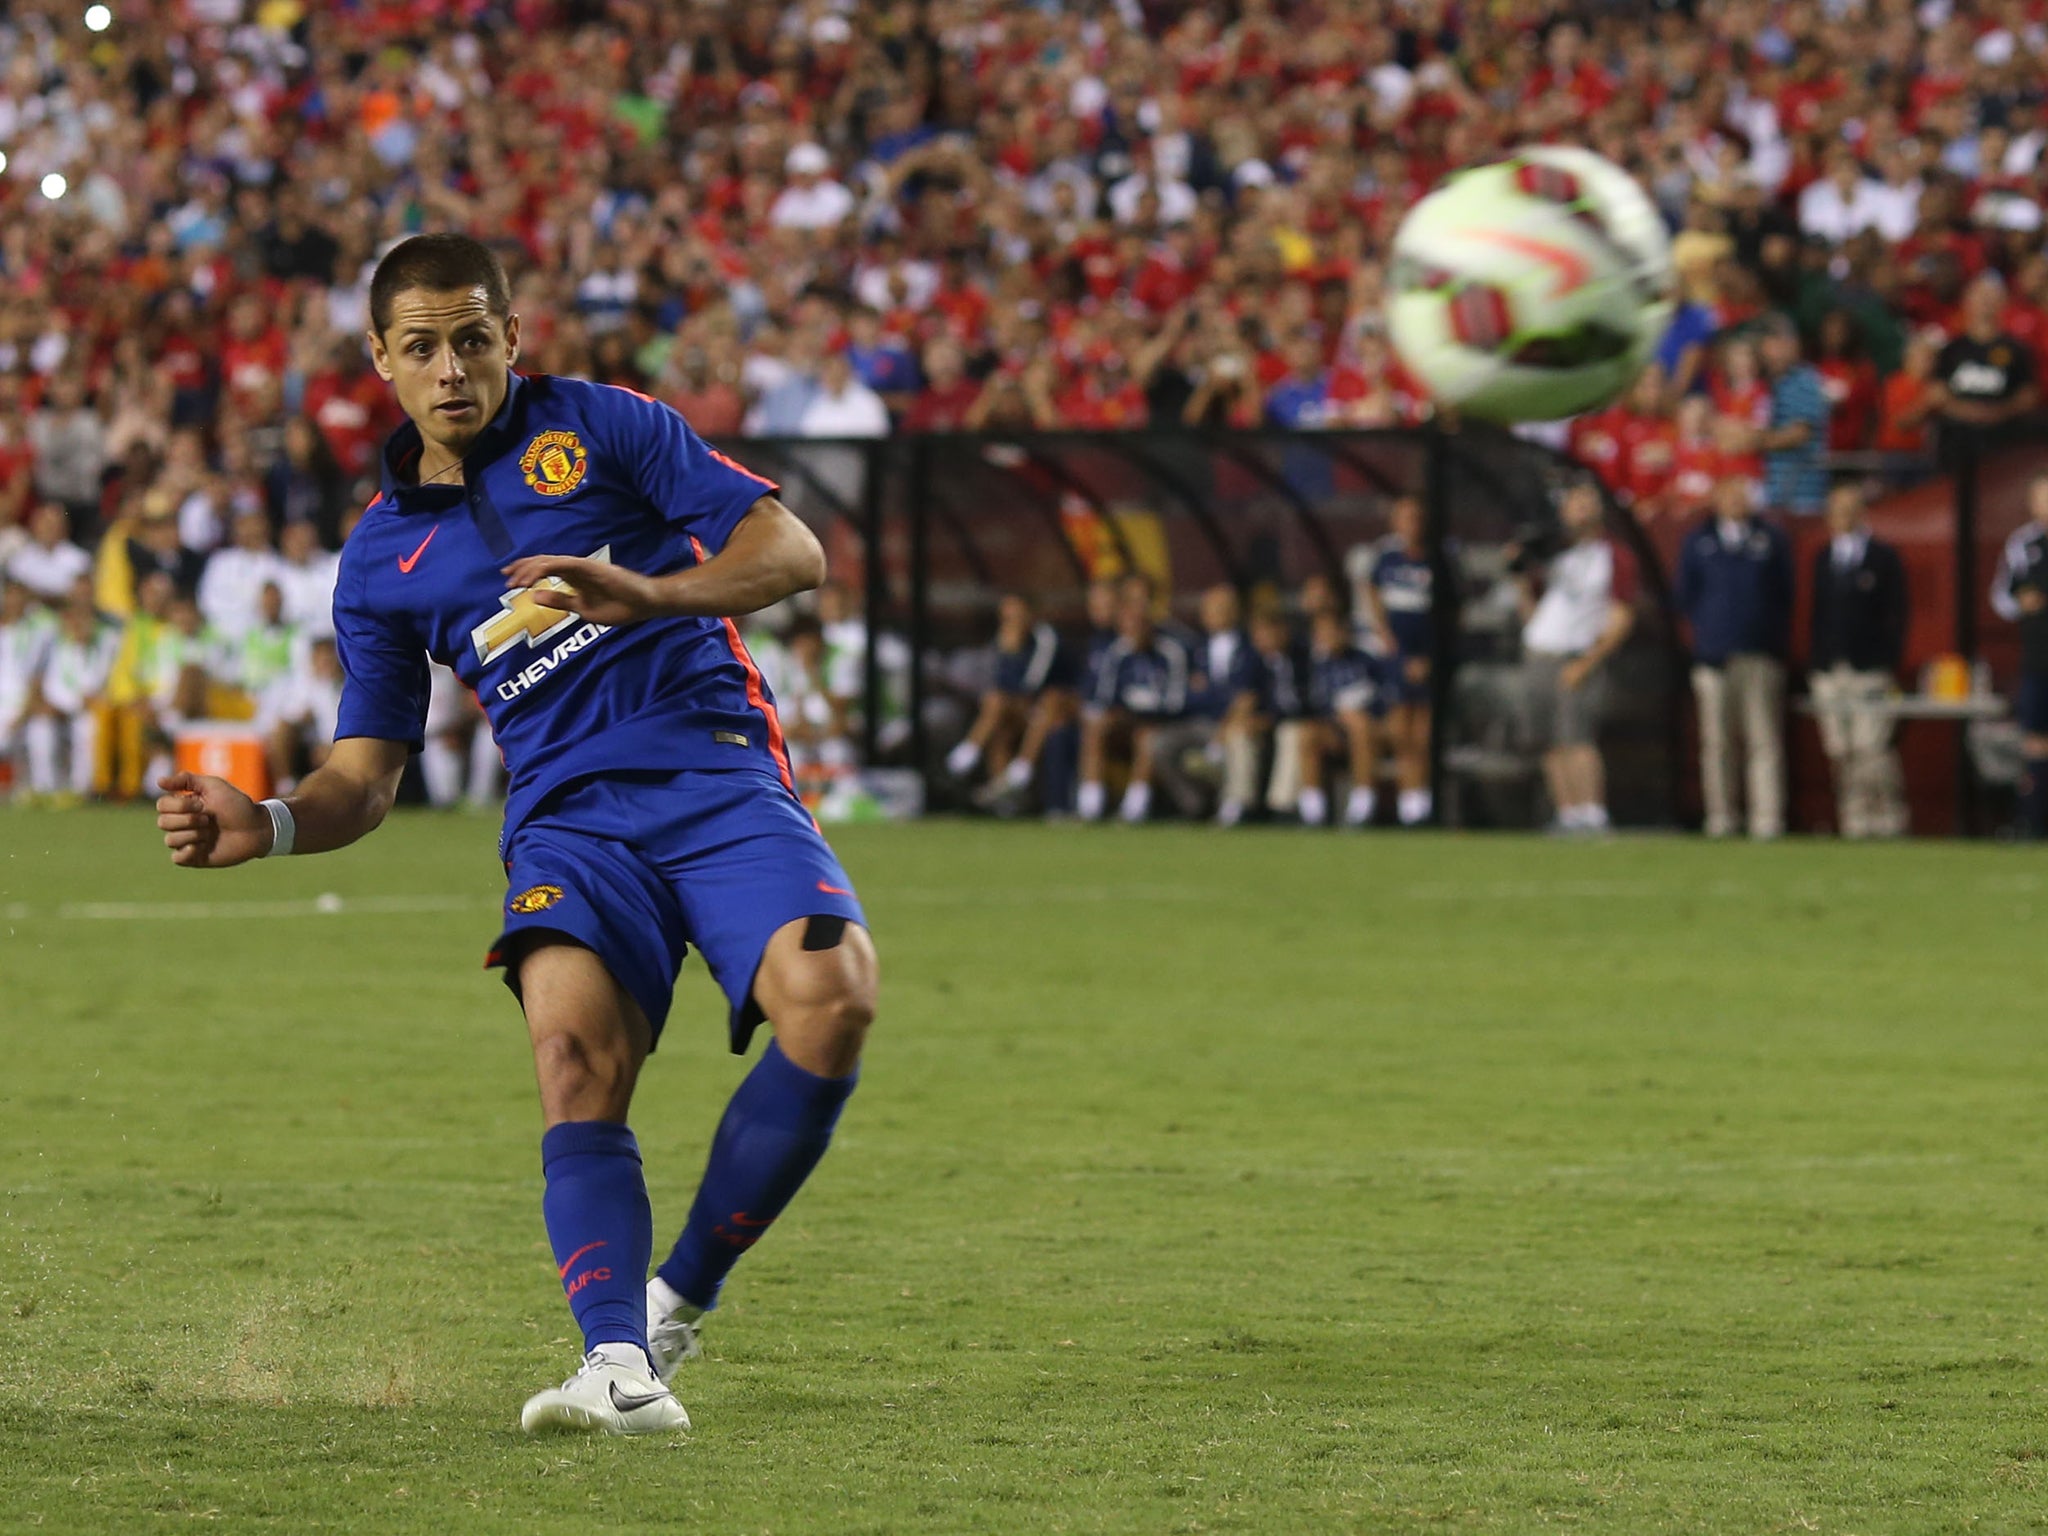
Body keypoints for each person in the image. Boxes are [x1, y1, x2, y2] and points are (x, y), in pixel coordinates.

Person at [150, 234, 876, 1437]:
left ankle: (676, 1298)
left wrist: (648, 591)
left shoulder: (602, 425)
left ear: (511, 339)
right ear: (381, 359)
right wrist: (272, 821)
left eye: (472, 340)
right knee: (574, 1059)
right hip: (567, 819)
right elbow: (367, 777)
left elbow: (788, 553)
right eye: (422, 347)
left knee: (833, 993)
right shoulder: (381, 562)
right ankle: (615, 1364)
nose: (451, 369)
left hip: (712, 769)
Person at [1677, 474, 1795, 838]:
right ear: (1716, 500)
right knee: (1717, 742)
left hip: (1759, 654)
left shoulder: (1770, 538)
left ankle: (1767, 818)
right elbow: (1684, 595)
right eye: (1728, 495)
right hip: (1713, 656)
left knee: (1764, 740)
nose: (1735, 502)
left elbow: (1784, 595)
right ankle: (1721, 817)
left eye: (1741, 495)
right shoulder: (1699, 541)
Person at [1516, 482, 1637, 834]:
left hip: (1578, 652)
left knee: (1578, 737)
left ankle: (1593, 812)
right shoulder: (1551, 552)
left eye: (1588, 501)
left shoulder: (1613, 555)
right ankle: (1567, 812)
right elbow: (1532, 603)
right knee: (1550, 740)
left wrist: (1589, 660)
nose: (1581, 509)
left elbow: (1621, 616)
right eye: (1575, 502)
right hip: (1541, 649)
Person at [1808, 483, 1908, 838]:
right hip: (1831, 668)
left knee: (1873, 749)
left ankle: (1887, 815)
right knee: (1841, 749)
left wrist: (1888, 661)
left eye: (1851, 509)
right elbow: (1817, 615)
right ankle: (1852, 819)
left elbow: (1897, 614)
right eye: (1837, 509)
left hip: (1869, 667)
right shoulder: (1824, 557)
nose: (1844, 517)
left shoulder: (1883, 557)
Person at [1078, 572, 1191, 823]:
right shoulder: (1116, 651)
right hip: (1127, 719)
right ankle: (1090, 805)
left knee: (1147, 736)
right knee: (1097, 729)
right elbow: (1106, 697)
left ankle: (1134, 808)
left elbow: (1175, 703)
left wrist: (1145, 711)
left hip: (1161, 723)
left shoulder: (1172, 649)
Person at [1353, 496, 1435, 826]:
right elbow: (1370, 590)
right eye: (1404, 517)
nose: (1411, 523)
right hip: (1398, 654)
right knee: (1401, 729)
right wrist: (1385, 634)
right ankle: (1408, 800)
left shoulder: (1436, 558)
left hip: (1429, 655)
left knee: (1425, 733)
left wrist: (1429, 656)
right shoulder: (1385, 559)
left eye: (1416, 516)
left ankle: (1423, 798)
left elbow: (1449, 612)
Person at [1156, 583, 1263, 825]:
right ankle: (1194, 806)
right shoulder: (1196, 648)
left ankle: (1236, 805)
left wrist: (1221, 734)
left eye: (1217, 608)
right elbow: (1191, 690)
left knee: (1239, 738)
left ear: (1233, 612)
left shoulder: (1249, 648)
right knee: (1161, 744)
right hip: (1198, 722)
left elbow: (1245, 698)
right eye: (1207, 609)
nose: (1208, 614)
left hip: (1231, 723)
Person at [1933, 273, 2042, 466]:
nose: (1985, 303)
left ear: (2003, 303)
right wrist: (1971, 412)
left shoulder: (2016, 349)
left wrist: (1998, 412)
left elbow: (2029, 396)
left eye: (1990, 297)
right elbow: (1936, 394)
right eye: (1980, 296)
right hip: (1956, 447)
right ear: (1967, 301)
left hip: (2004, 447)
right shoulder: (1951, 349)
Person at [1991, 472, 2048, 837]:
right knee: (2036, 740)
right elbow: (2000, 595)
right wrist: (2020, 602)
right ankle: (2033, 820)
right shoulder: (2023, 544)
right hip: (2039, 656)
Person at [25, 582, 118, 802]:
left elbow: (109, 681)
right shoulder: (50, 639)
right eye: (74, 615)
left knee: (87, 728)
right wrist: (41, 703)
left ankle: (78, 791)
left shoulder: (107, 640)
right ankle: (44, 789)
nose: (79, 622)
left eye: (85, 616)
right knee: (40, 728)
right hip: (54, 706)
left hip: (87, 709)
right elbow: (36, 677)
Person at [1298, 605, 1384, 828]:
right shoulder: (1316, 666)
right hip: (1333, 729)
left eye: (1332, 630)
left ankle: (1362, 806)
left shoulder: (1366, 662)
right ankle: (1312, 812)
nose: (1328, 637)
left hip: (1368, 728)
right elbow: (1312, 704)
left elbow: (1383, 697)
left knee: (1360, 726)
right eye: (1322, 632)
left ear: (1344, 632)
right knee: (1307, 735)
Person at [1755, 315, 1831, 517]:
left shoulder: (1805, 380)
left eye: (1785, 342)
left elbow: (1799, 433)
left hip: (1801, 494)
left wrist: (1752, 441)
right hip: (1770, 493)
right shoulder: (1763, 383)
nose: (1779, 350)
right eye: (1773, 343)